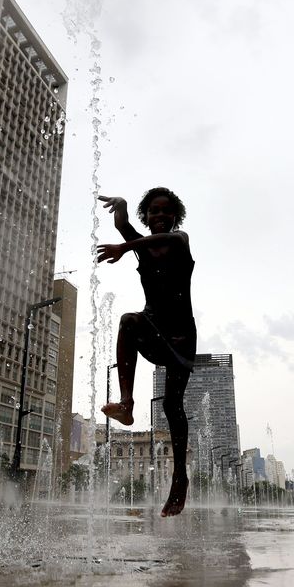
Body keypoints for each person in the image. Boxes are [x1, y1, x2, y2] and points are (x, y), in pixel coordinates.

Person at [96, 188, 195, 517]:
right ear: (147, 216)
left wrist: (126, 246)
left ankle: (179, 478)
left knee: (171, 404)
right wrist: (122, 207)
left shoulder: (181, 239)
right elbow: (124, 226)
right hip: (152, 326)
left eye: (166, 212)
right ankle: (126, 404)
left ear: (175, 216)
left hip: (180, 335)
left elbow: (144, 241)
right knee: (127, 321)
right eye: (153, 212)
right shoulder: (143, 246)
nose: (160, 217)